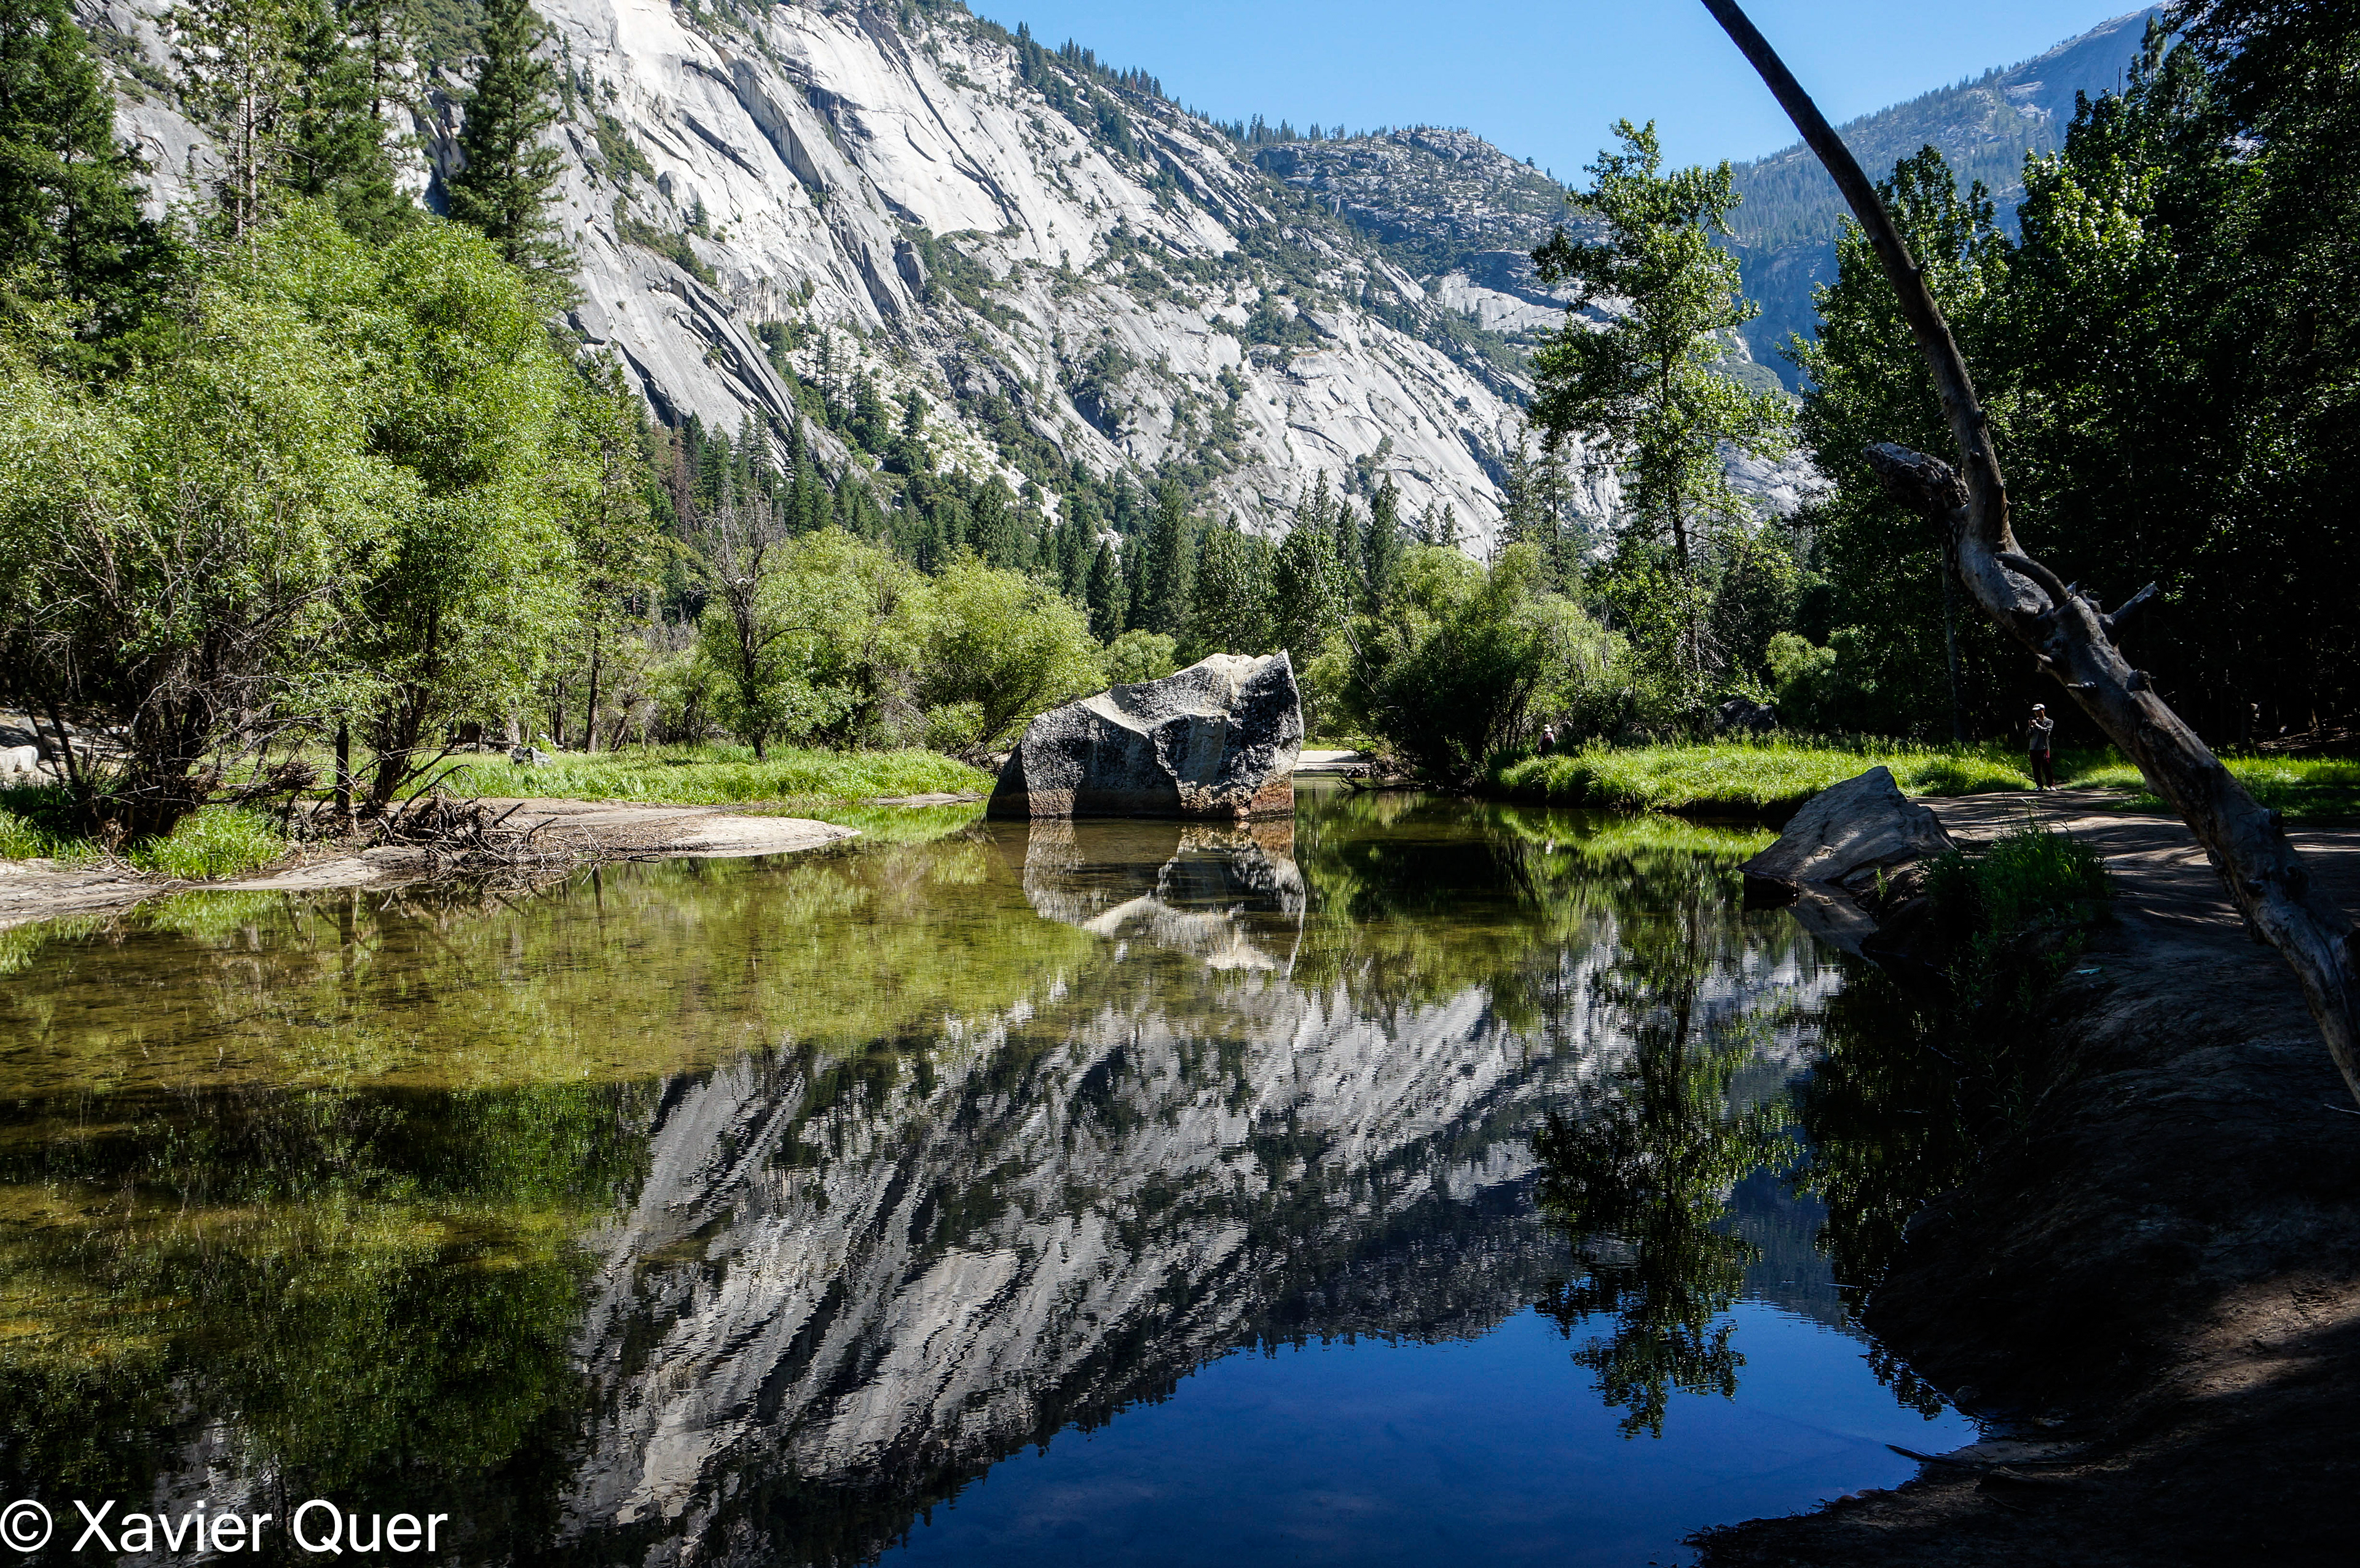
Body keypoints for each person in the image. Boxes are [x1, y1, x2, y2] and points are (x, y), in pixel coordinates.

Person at [2026, 703, 2056, 790]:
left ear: (2043, 711)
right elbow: (2028, 735)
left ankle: (2051, 785)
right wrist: (2030, 726)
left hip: (2043, 747)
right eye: (2035, 712)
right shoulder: (2034, 722)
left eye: (2038, 711)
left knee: (2047, 766)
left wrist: (2037, 726)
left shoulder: (2049, 722)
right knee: (2036, 767)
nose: (2037, 713)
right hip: (2033, 747)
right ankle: (2039, 786)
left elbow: (2047, 732)